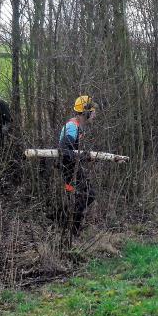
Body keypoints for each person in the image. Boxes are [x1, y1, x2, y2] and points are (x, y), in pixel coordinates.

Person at [58, 95, 98, 239]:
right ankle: (71, 229)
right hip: (68, 169)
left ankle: (71, 228)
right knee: (87, 194)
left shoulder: (78, 127)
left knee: (81, 195)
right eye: (92, 111)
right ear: (85, 112)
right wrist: (83, 156)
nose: (94, 114)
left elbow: (73, 152)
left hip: (72, 167)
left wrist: (84, 157)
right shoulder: (72, 127)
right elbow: (65, 151)